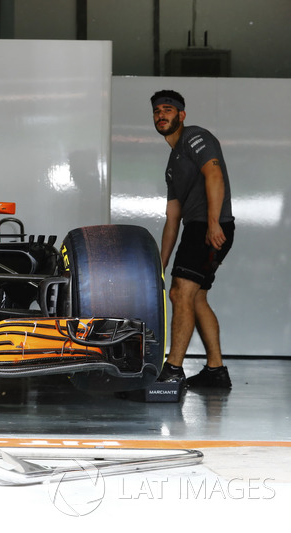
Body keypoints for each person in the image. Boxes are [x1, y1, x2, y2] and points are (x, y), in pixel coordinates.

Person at [151, 90, 235, 389]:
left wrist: (213, 224)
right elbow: (173, 218)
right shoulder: (172, 165)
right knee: (195, 296)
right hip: (195, 227)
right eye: (158, 110)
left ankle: (173, 369)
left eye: (168, 109)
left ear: (181, 115)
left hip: (208, 226)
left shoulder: (195, 137)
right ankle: (216, 371)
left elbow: (214, 175)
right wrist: (159, 265)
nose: (162, 114)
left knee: (180, 293)